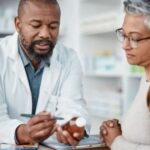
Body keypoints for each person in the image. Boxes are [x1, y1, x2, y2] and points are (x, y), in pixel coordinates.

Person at [0, 0, 90, 145]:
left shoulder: (69, 58)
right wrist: (22, 132)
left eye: (53, 26)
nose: (45, 34)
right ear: (18, 25)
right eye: (36, 25)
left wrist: (72, 126)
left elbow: (74, 106)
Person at [100, 0, 150, 149]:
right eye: (123, 35)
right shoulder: (145, 78)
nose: (125, 45)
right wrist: (119, 131)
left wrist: (117, 142)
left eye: (134, 38)